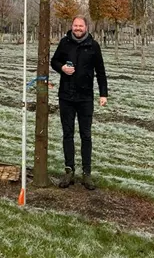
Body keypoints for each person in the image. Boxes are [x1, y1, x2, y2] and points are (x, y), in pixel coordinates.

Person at [50, 15, 108, 190]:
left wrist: (103, 94)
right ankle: (69, 171)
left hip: (85, 97)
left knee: (86, 135)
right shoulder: (64, 43)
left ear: (86, 27)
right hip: (66, 96)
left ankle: (86, 173)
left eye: (80, 26)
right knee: (68, 134)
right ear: (71, 26)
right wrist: (62, 68)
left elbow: (101, 71)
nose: (77, 28)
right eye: (75, 25)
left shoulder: (93, 46)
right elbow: (54, 61)